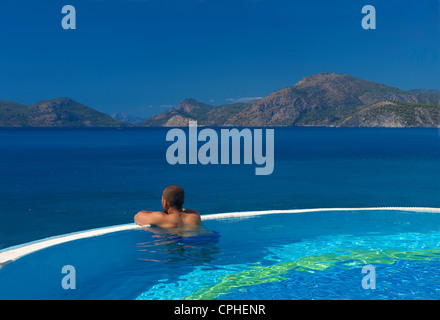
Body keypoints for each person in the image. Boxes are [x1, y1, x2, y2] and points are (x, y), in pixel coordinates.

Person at [134, 185, 202, 228]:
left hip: (175, 242)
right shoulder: (195, 214)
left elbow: (137, 217)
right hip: (201, 239)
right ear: (183, 201)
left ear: (165, 203)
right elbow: (182, 211)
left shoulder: (161, 218)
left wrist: (160, 213)